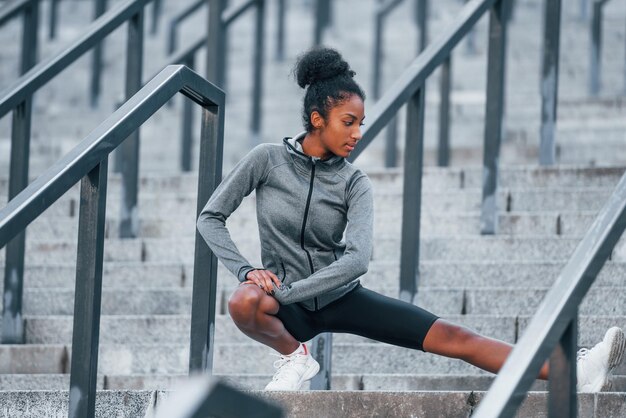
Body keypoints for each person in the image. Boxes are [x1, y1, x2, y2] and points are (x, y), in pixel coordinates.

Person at [196, 47, 625, 392]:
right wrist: (249, 269)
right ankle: (294, 357)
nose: (357, 133)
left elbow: (357, 260)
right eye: (348, 122)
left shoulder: (354, 182)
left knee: (456, 338)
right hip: (285, 307)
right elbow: (211, 217)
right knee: (243, 300)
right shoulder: (266, 161)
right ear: (316, 119)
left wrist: (292, 291)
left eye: (361, 123)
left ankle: (574, 371)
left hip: (339, 296)